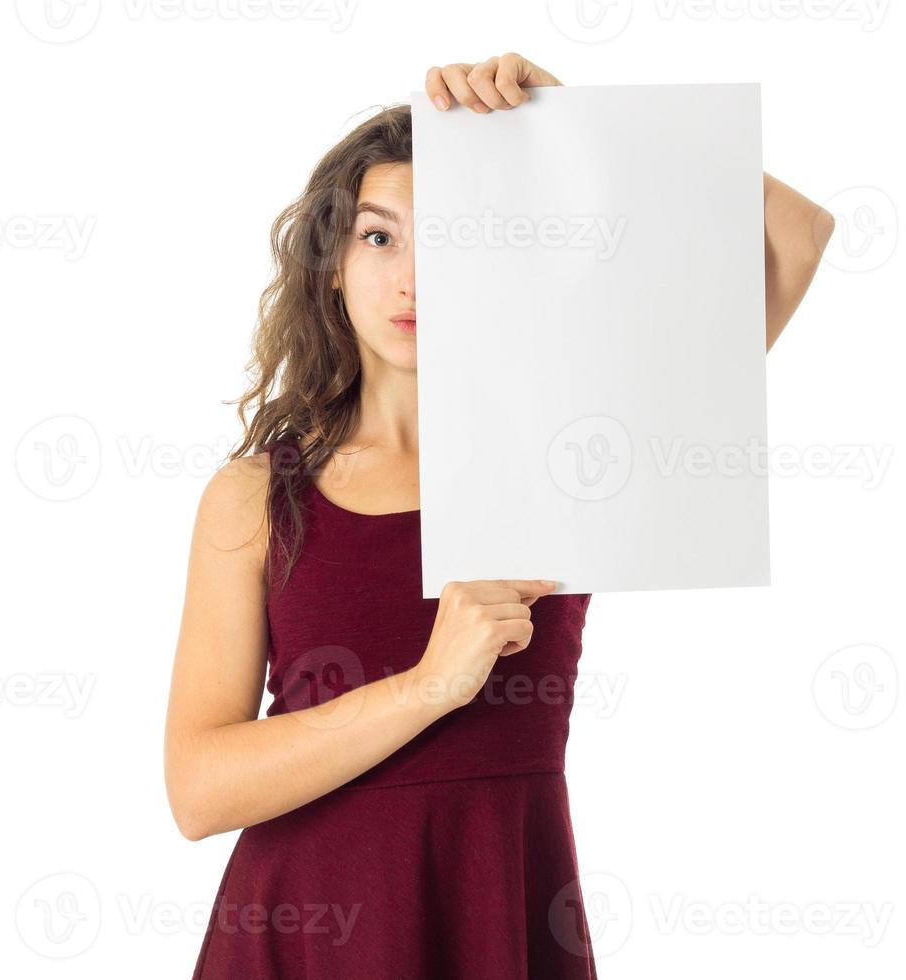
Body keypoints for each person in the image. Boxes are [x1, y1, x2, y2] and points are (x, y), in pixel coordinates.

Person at [165, 53, 834, 978]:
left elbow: (795, 234)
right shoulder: (255, 498)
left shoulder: (582, 455)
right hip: (297, 932)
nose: (409, 279)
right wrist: (429, 685)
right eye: (378, 237)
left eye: (449, 236)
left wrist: (568, 128)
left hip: (496, 911)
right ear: (330, 266)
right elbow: (198, 791)